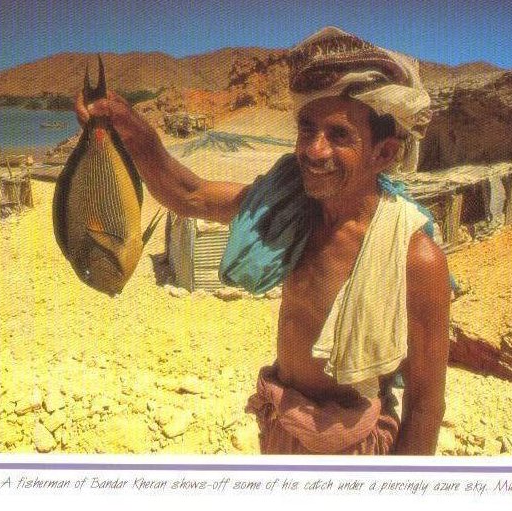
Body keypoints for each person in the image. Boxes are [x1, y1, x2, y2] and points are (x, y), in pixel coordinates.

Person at [75, 26, 451, 455]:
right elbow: (187, 194)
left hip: (351, 448)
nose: (313, 150)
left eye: (339, 134)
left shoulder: (413, 257)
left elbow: (424, 407)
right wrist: (127, 124)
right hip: (281, 425)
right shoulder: (292, 208)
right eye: (306, 129)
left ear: (383, 153)